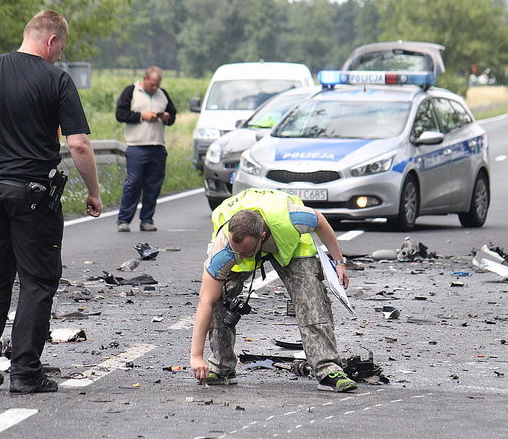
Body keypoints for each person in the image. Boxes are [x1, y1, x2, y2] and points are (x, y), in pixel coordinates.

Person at [0, 10, 103, 394]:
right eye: (60, 49)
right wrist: (94, 192)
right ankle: (25, 372)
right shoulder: (56, 79)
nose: (59, 56)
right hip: (32, 194)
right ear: (51, 41)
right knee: (37, 280)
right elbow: (77, 143)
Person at [190, 188, 358, 393]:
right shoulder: (225, 248)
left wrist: (338, 261)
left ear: (262, 236)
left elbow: (320, 221)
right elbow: (205, 301)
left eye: (245, 252)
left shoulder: (292, 218)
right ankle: (221, 366)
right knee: (219, 298)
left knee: (311, 297)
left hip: (290, 243)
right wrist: (195, 356)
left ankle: (328, 369)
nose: (240, 257)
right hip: (245, 241)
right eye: (237, 252)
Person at [115, 66, 177, 232]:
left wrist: (166, 117)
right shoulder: (131, 91)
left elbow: (173, 115)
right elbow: (120, 114)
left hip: (158, 146)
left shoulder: (162, 94)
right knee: (133, 183)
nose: (155, 88)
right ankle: (124, 219)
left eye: (157, 85)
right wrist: (142, 116)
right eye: (152, 84)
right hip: (137, 146)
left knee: (153, 185)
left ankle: (147, 220)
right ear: (145, 79)